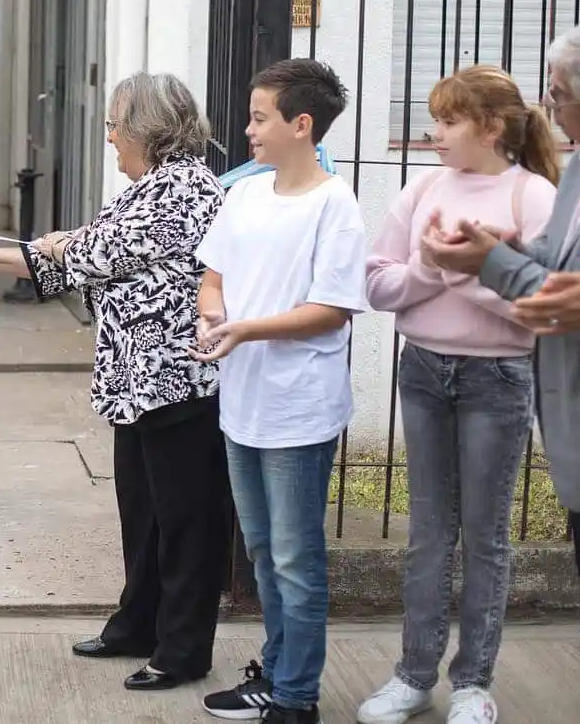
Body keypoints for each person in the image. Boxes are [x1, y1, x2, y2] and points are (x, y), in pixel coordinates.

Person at [0, 72, 231, 693]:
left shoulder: (184, 190)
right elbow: (79, 259)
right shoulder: (147, 186)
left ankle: (182, 650)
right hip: (137, 383)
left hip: (176, 379)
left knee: (185, 522)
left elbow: (91, 255)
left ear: (147, 130)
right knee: (143, 513)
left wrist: (56, 245)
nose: (109, 139)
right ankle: (136, 625)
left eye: (113, 126)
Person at [422, 18, 580, 724]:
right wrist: (503, 247)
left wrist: (488, 262)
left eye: (560, 94)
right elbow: (558, 264)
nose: (548, 109)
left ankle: (476, 680)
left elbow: (579, 304)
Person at [358, 66, 559, 724]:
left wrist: (469, 277)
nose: (434, 132)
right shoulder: (422, 189)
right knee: (427, 533)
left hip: (496, 379)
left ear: (491, 127)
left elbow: (544, 309)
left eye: (447, 120)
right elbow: (378, 285)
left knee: (484, 534)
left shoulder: (532, 195)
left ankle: (472, 682)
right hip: (423, 370)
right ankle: (413, 675)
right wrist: (428, 268)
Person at [192, 58, 368, 724]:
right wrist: (214, 317)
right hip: (244, 404)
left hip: (299, 408)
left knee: (297, 559)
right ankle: (275, 670)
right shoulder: (244, 196)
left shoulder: (335, 204)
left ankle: (297, 697)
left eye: (260, 117)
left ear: (302, 124)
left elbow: (332, 307)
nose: (247, 129)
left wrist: (245, 328)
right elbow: (213, 276)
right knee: (264, 551)